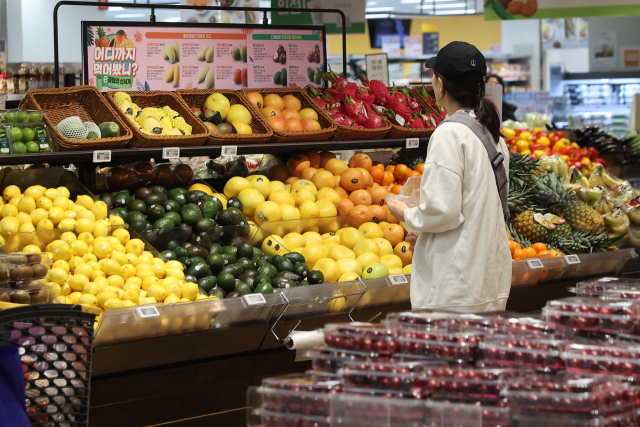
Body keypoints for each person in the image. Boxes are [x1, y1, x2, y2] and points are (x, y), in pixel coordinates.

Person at [388, 41, 511, 313]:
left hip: (456, 289)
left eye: (433, 76)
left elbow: (443, 211)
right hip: (488, 279)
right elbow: (475, 209)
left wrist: (406, 214)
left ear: (440, 85)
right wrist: (430, 235)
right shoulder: (492, 133)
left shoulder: (449, 133)